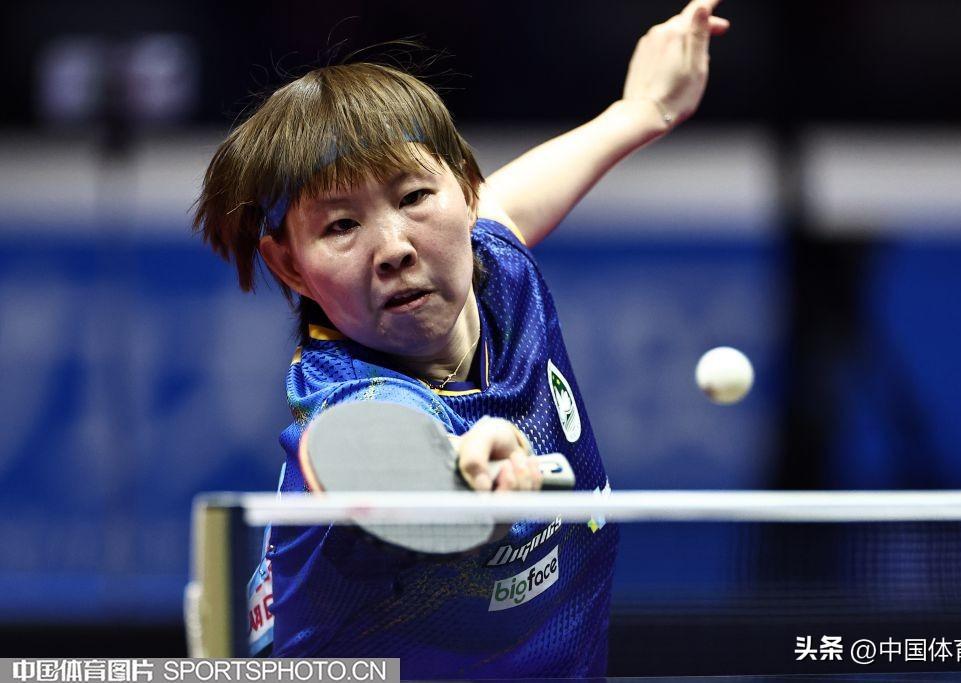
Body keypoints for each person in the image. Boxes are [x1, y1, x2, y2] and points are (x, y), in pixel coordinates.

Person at [193, 0, 728, 676]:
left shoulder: (493, 266)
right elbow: (393, 449)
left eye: (414, 196)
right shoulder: (349, 408)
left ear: (466, 192)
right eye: (340, 226)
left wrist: (642, 110)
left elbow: (511, 203)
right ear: (290, 266)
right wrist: (471, 463)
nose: (395, 247)